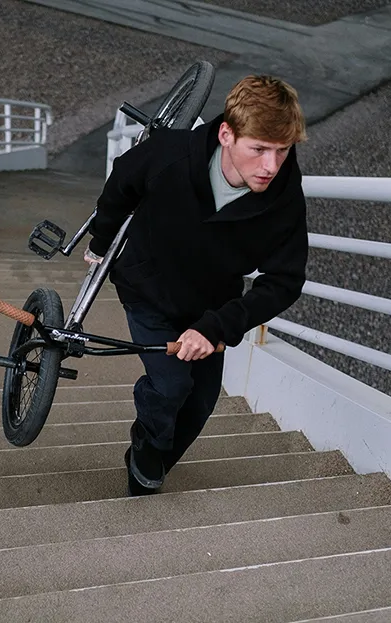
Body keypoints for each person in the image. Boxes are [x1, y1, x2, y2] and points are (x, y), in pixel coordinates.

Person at [84, 74, 310, 495]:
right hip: (148, 288)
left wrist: (217, 326)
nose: (271, 166)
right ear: (227, 133)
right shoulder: (171, 155)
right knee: (171, 386)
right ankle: (146, 451)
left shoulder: (284, 198)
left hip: (211, 308)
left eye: (282, 151)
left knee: (199, 406)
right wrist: (101, 237)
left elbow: (286, 280)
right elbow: (122, 181)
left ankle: (150, 460)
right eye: (259, 149)